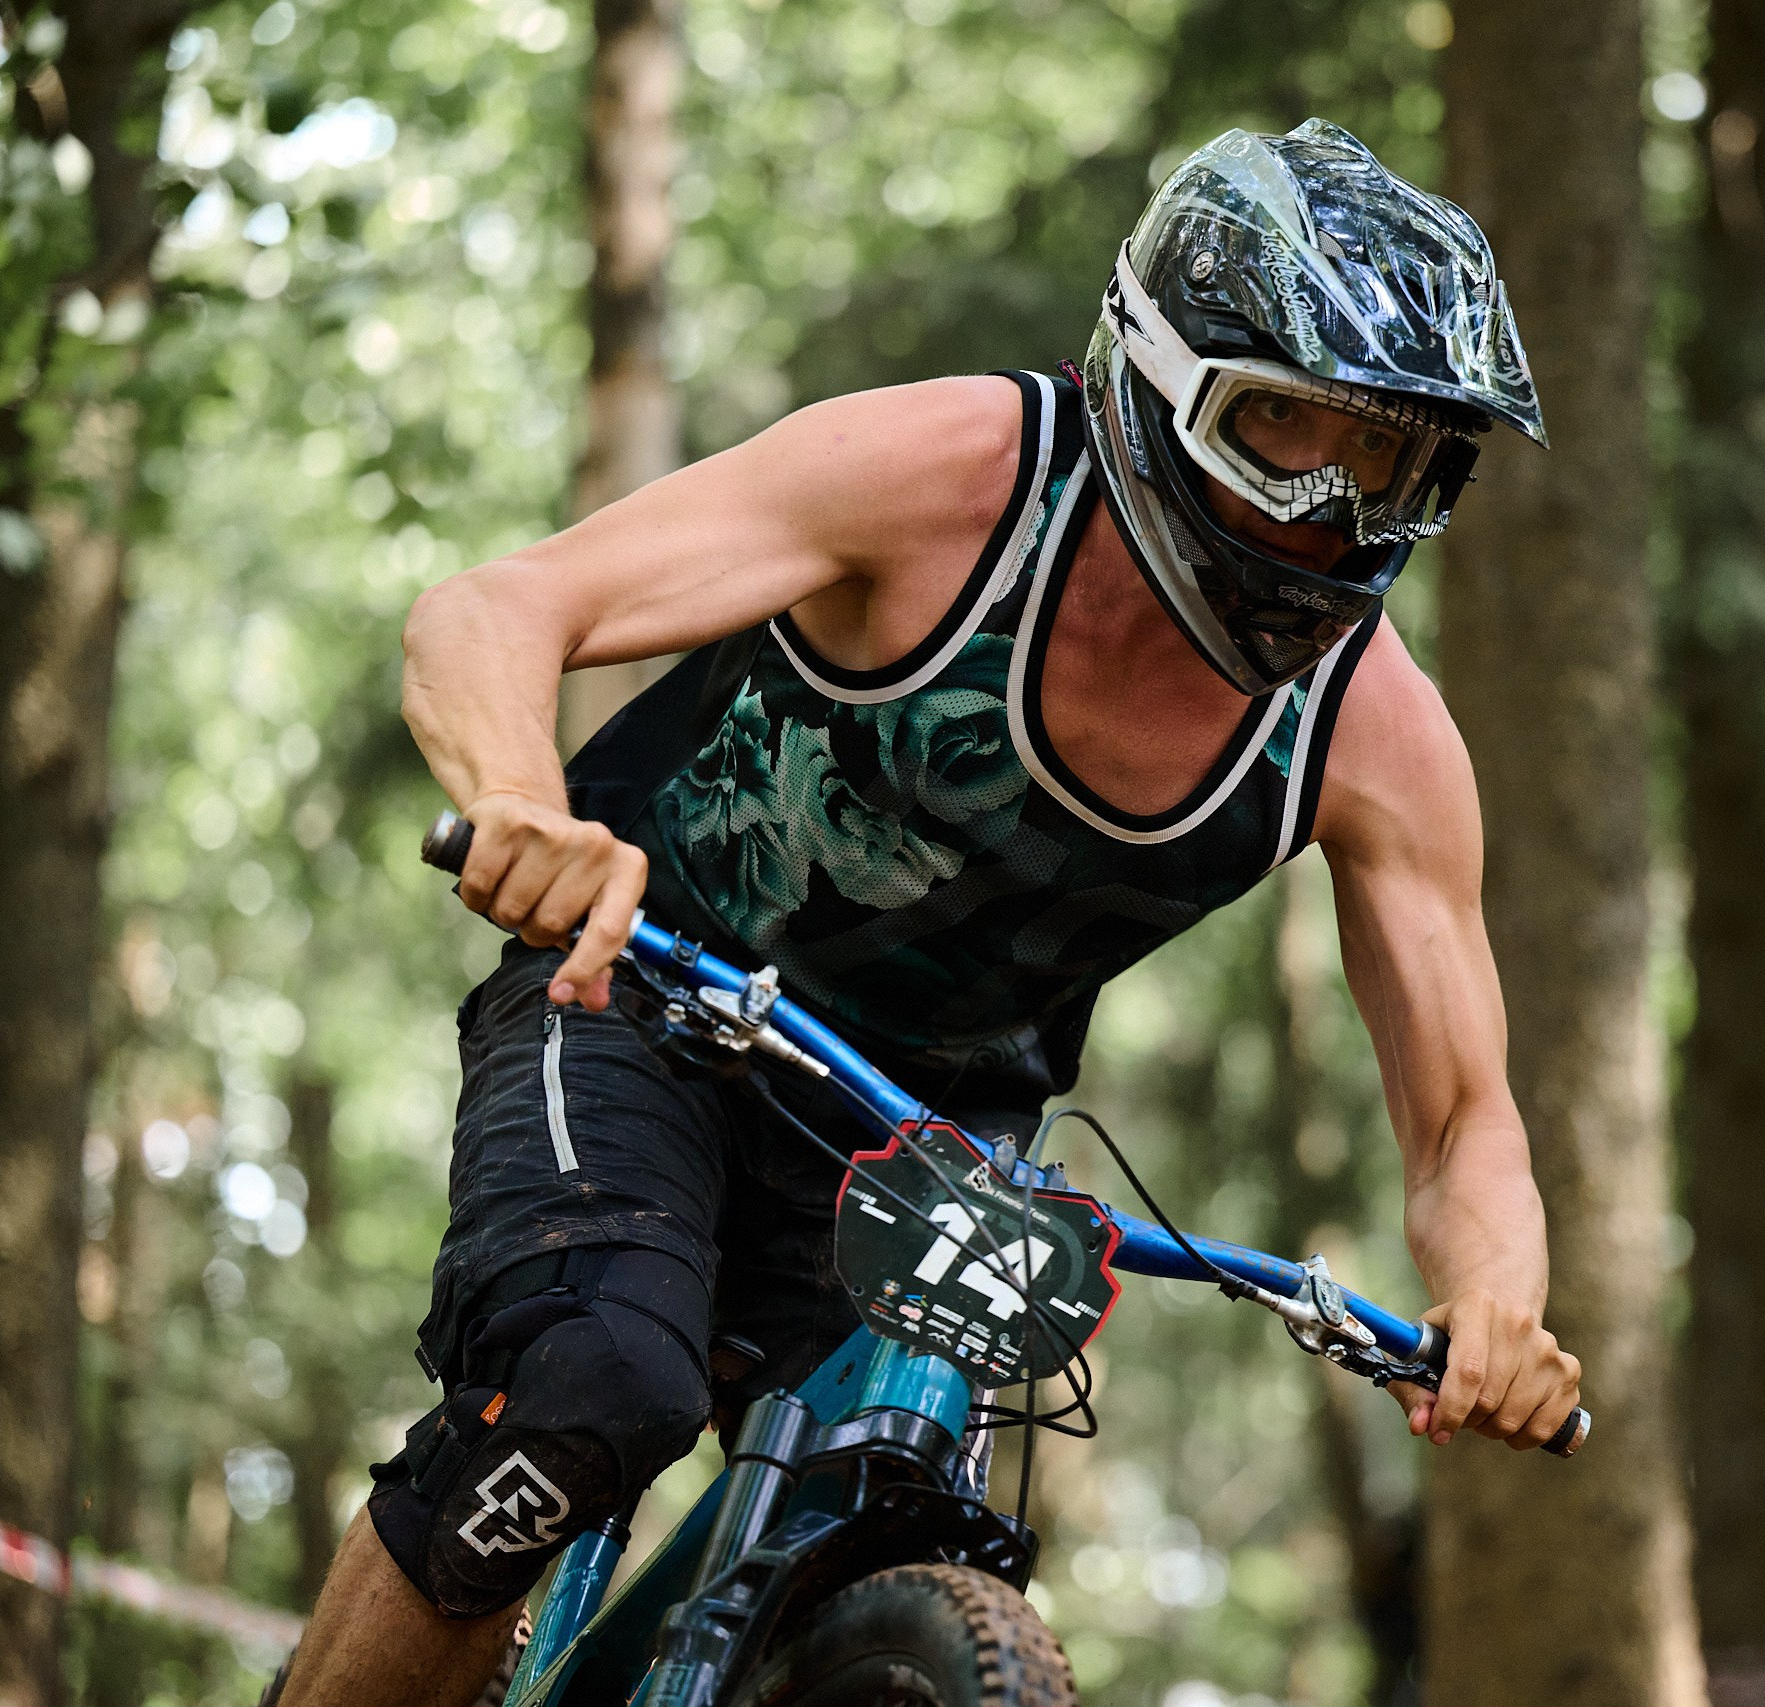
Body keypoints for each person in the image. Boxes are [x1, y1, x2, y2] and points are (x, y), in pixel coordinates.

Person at [280, 119, 1583, 1707]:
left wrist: (1497, 1304)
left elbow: (1464, 1129)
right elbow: (495, 609)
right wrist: (523, 805)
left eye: (1390, 462)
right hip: (646, 1001)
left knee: (906, 1511)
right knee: (590, 1380)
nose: (1336, 513)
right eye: (1291, 434)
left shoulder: (1375, 735)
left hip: (929, 1151)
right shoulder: (952, 477)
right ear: (1168, 379)